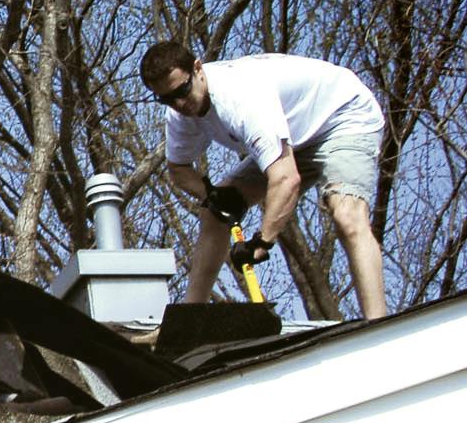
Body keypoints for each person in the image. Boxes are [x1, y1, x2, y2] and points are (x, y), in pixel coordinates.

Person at [140, 39, 388, 319]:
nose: (179, 104)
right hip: (293, 139)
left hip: (342, 118)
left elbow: (286, 179)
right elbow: (179, 169)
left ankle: (378, 324)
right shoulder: (179, 114)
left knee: (346, 215)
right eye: (166, 99)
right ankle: (188, 318)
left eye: (182, 91)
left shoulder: (240, 98)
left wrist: (261, 242)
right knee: (213, 213)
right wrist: (211, 195)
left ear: (198, 69)